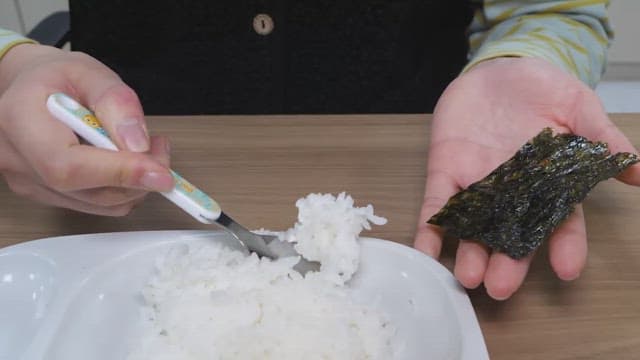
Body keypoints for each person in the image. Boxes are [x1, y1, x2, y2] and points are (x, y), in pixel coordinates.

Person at [0, 0, 637, 301]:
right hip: (104, 180)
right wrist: (13, 62)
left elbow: (557, 12)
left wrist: (523, 56)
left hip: (416, 162)